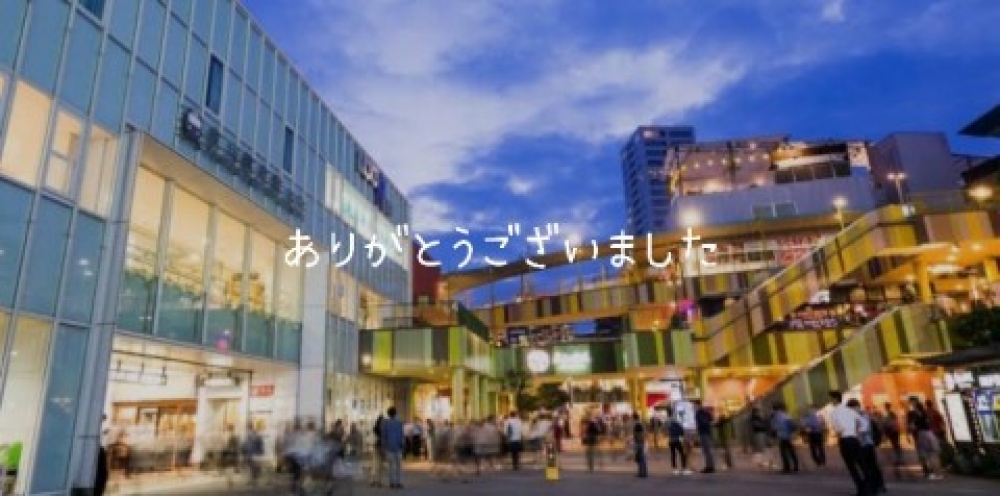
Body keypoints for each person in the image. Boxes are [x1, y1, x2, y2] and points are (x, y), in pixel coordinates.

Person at [829, 391, 868, 496]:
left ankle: (861, 488)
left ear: (835, 399)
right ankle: (868, 487)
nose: (830, 401)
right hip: (854, 439)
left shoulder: (834, 413)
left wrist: (840, 431)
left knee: (852, 466)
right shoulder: (850, 411)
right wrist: (857, 431)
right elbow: (864, 423)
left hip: (845, 440)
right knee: (862, 464)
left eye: (831, 399)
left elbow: (837, 429)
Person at [850, 400, 886, 494]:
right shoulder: (864, 415)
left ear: (856, 407)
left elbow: (863, 430)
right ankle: (878, 485)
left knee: (868, 467)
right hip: (867, 444)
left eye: (851, 408)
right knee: (872, 466)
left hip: (864, 445)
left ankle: (873, 487)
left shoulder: (862, 416)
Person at [907, 397, 942, 481]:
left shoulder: (913, 413)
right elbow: (929, 422)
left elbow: (912, 426)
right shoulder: (924, 412)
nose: (911, 404)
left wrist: (910, 431)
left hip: (921, 434)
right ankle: (937, 473)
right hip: (929, 433)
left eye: (911, 403)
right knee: (932, 454)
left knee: (925, 455)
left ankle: (931, 472)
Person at [380, 407, 406, 489]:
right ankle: (398, 482)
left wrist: (383, 447)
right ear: (395, 413)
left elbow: (383, 436)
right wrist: (403, 444)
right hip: (398, 447)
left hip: (389, 447)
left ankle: (391, 482)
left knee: (391, 466)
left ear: (388, 414)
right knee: (399, 466)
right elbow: (402, 434)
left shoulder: (385, 423)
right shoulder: (399, 423)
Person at [772, 403, 799, 473]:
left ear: (775, 409)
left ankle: (787, 467)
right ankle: (795, 465)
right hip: (787, 435)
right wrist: (792, 432)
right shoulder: (786, 415)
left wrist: (774, 433)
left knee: (784, 452)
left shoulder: (776, 417)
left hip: (782, 436)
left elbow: (775, 427)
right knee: (791, 451)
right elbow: (792, 425)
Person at [694, 400, 715, 473]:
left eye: (695, 406)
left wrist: (699, 426)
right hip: (707, 432)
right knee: (707, 450)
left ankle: (709, 467)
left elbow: (703, 422)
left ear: (698, 405)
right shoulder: (705, 412)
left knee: (706, 450)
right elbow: (711, 419)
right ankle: (710, 466)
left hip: (703, 433)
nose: (694, 407)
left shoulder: (699, 413)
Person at [632, 412, 648, 478]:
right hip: (642, 442)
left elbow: (638, 434)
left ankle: (642, 473)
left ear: (634, 418)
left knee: (640, 458)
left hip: (639, 443)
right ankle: (643, 472)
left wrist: (636, 442)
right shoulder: (640, 423)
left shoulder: (637, 424)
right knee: (641, 458)